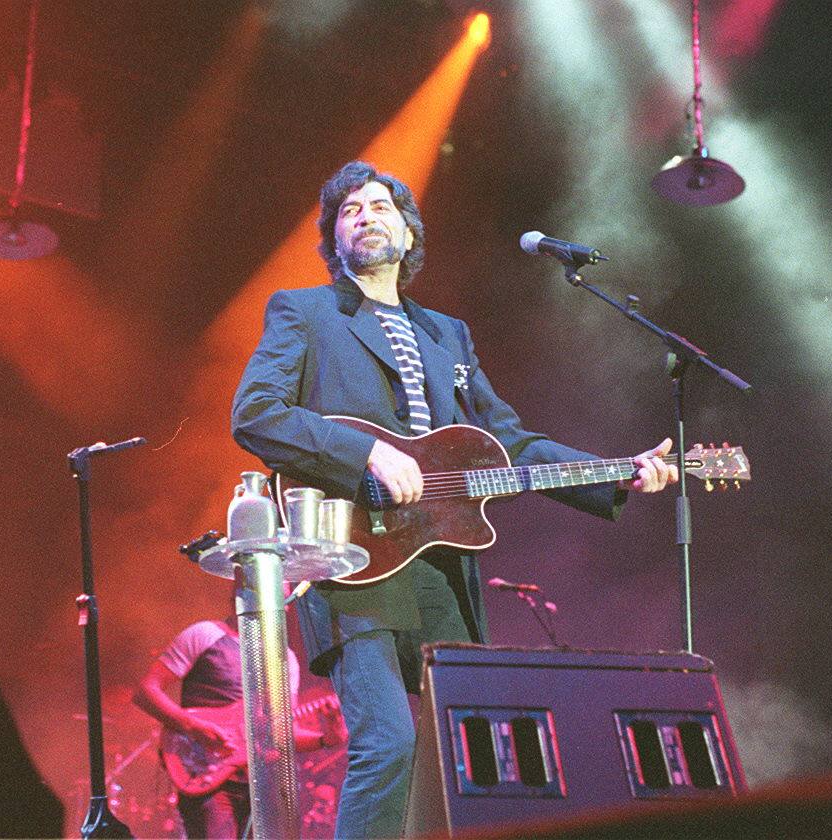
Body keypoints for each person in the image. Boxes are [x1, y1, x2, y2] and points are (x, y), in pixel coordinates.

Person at [230, 160, 679, 838]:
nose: (366, 215)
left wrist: (614, 471)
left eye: (381, 206)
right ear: (334, 239)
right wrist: (365, 454)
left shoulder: (448, 334)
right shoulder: (305, 311)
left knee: (473, 758)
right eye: (350, 210)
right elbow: (256, 415)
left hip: (442, 565)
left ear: (408, 234)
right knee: (389, 743)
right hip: (353, 559)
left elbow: (511, 445)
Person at [135, 612, 346, 840]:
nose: (284, 601)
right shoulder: (205, 634)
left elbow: (279, 732)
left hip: (263, 784)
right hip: (206, 772)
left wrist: (326, 738)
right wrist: (192, 726)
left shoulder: (284, 658)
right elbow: (146, 692)